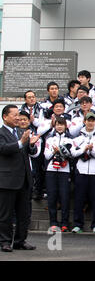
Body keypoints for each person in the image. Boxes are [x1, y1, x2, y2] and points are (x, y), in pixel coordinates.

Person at [0, 105, 40, 252]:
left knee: (24, 214)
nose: (18, 118)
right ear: (5, 117)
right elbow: (3, 149)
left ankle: (20, 240)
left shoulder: (21, 132)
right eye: (15, 115)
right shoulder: (1, 133)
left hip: (24, 180)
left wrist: (30, 144)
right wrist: (20, 142)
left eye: (19, 115)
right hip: (8, 181)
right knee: (6, 214)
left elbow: (30, 152)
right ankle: (4, 241)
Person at [70, 112, 95, 234]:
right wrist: (84, 149)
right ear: (84, 121)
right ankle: (78, 224)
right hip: (81, 170)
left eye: (92, 120)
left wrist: (92, 150)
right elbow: (73, 153)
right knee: (79, 199)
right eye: (88, 120)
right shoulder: (77, 139)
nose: (90, 123)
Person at [43, 116, 73, 233]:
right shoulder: (50, 140)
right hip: (51, 170)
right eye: (57, 124)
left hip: (64, 170)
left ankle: (65, 223)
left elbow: (72, 155)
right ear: (54, 126)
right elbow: (46, 156)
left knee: (64, 197)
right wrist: (54, 151)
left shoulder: (70, 140)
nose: (60, 126)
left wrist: (62, 151)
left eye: (62, 124)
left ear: (66, 126)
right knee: (52, 197)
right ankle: (53, 222)